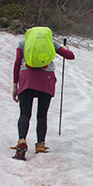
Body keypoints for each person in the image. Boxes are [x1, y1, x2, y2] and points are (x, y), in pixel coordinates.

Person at [12, 29, 75, 159]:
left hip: (27, 78)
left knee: (24, 113)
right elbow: (70, 56)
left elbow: (17, 63)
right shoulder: (50, 42)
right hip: (46, 79)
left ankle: (21, 141)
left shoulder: (23, 43)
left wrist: (15, 85)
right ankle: (40, 144)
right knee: (42, 115)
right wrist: (65, 49)